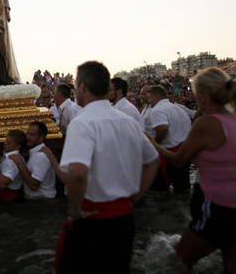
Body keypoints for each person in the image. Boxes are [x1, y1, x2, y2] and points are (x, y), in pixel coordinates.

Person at [149, 68, 236, 273]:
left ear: (203, 94)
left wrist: (151, 144)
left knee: (177, 262)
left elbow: (178, 160)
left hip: (218, 205)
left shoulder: (207, 123)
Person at [56, 61, 159, 274]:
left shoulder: (83, 122)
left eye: (76, 86)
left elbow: (77, 174)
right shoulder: (128, 121)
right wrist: (135, 196)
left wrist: (74, 212)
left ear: (83, 87)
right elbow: (153, 161)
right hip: (124, 217)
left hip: (92, 219)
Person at [146, 85, 192, 193]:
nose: (148, 102)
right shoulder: (177, 108)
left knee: (161, 190)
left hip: (169, 153)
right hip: (184, 151)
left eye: (149, 98)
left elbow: (162, 128)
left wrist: (155, 143)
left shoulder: (157, 110)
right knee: (183, 188)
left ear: (156, 97)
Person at [10, 122, 56, 199]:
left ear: (41, 137)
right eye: (27, 133)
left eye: (32, 135)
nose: (27, 137)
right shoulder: (34, 152)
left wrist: (20, 163)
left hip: (42, 201)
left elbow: (34, 185)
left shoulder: (41, 156)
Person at [0, 130, 27, 201]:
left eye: (9, 143)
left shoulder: (12, 161)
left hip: (8, 198)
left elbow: (3, 184)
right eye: (6, 141)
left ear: (18, 146)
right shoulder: (7, 155)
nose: (5, 143)